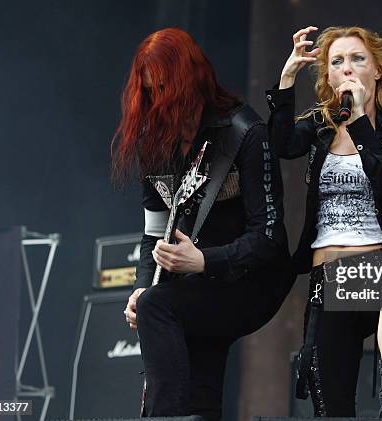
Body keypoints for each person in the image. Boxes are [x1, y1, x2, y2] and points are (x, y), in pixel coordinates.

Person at [113, 28, 293, 421]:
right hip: (196, 284)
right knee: (199, 384)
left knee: (159, 307)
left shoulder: (245, 132)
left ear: (191, 80)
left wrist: (204, 262)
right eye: (149, 92)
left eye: (164, 88)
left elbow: (268, 238)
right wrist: (142, 285)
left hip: (252, 282)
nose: (158, 101)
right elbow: (153, 233)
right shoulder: (155, 144)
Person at [265, 26, 382, 418]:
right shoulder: (322, 125)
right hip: (329, 278)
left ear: (377, 69)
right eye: (336, 61)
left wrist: (360, 121)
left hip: (381, 267)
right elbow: (281, 145)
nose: (347, 68)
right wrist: (287, 79)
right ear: (326, 75)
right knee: (333, 409)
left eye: (358, 58)